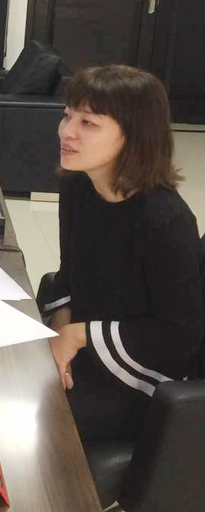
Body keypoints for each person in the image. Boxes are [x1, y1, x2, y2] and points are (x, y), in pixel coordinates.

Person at [43, 65, 203, 444]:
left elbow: (178, 336)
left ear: (134, 136)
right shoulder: (77, 187)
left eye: (88, 123)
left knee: (29, 422)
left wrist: (78, 336)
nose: (67, 131)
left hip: (140, 375)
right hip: (86, 349)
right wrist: (58, 339)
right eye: (67, 116)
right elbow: (69, 275)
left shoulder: (166, 220)